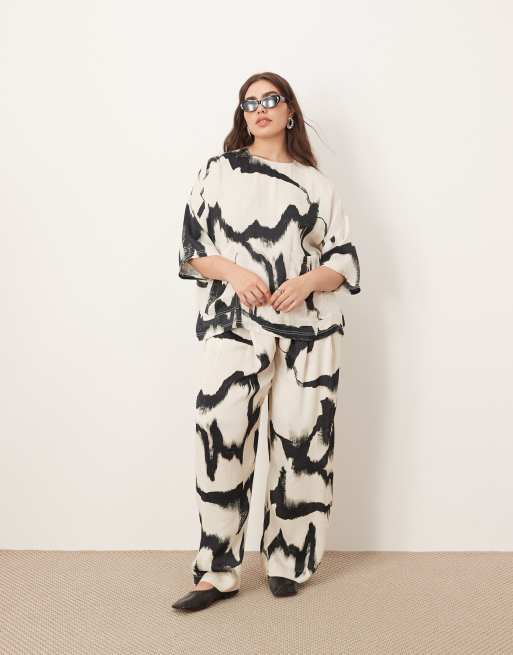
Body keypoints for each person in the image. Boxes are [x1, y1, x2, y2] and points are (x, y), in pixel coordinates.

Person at [172, 71, 361, 612]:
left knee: (302, 445)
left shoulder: (317, 184)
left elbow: (343, 258)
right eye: (250, 102)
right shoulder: (217, 172)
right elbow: (193, 251)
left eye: (271, 100)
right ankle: (217, 573)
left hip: (310, 330)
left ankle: (288, 562)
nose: (260, 109)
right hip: (234, 325)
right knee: (222, 436)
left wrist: (305, 282)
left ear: (289, 111)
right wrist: (235, 273)